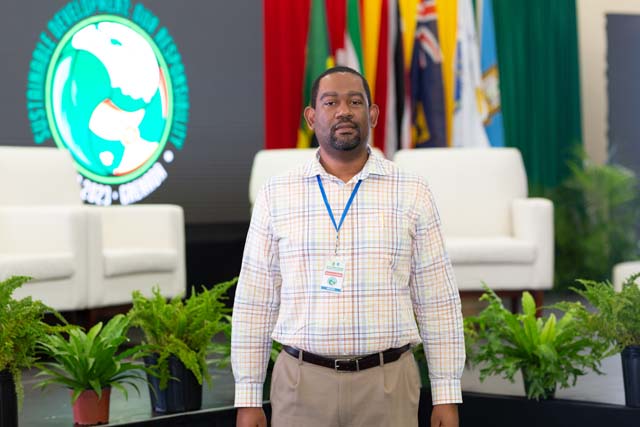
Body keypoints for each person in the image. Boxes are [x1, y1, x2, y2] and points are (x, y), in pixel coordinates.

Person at [232, 66, 465, 427]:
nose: (343, 111)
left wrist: (446, 394)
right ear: (312, 117)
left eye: (355, 102)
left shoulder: (412, 191)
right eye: (331, 102)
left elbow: (437, 300)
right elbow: (255, 301)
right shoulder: (276, 194)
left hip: (387, 386)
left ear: (372, 114)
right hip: (300, 386)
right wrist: (248, 398)